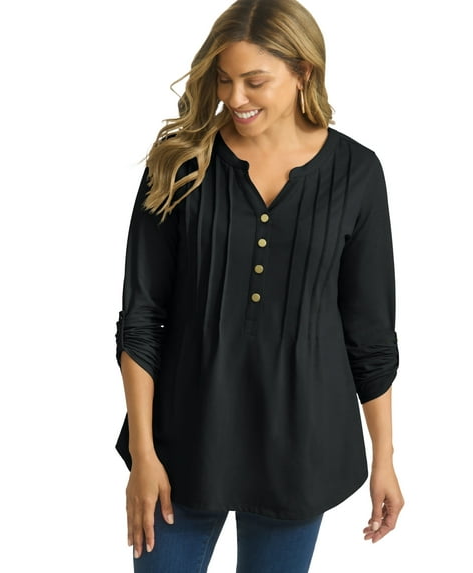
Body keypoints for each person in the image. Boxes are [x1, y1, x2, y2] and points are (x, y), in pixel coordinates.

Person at [114, 0, 404, 571]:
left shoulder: (358, 173)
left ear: (303, 72)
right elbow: (141, 318)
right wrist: (144, 455)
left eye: (254, 81)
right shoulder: (179, 164)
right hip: (185, 441)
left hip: (302, 448)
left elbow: (370, 333)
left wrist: (385, 458)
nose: (234, 97)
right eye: (224, 80)